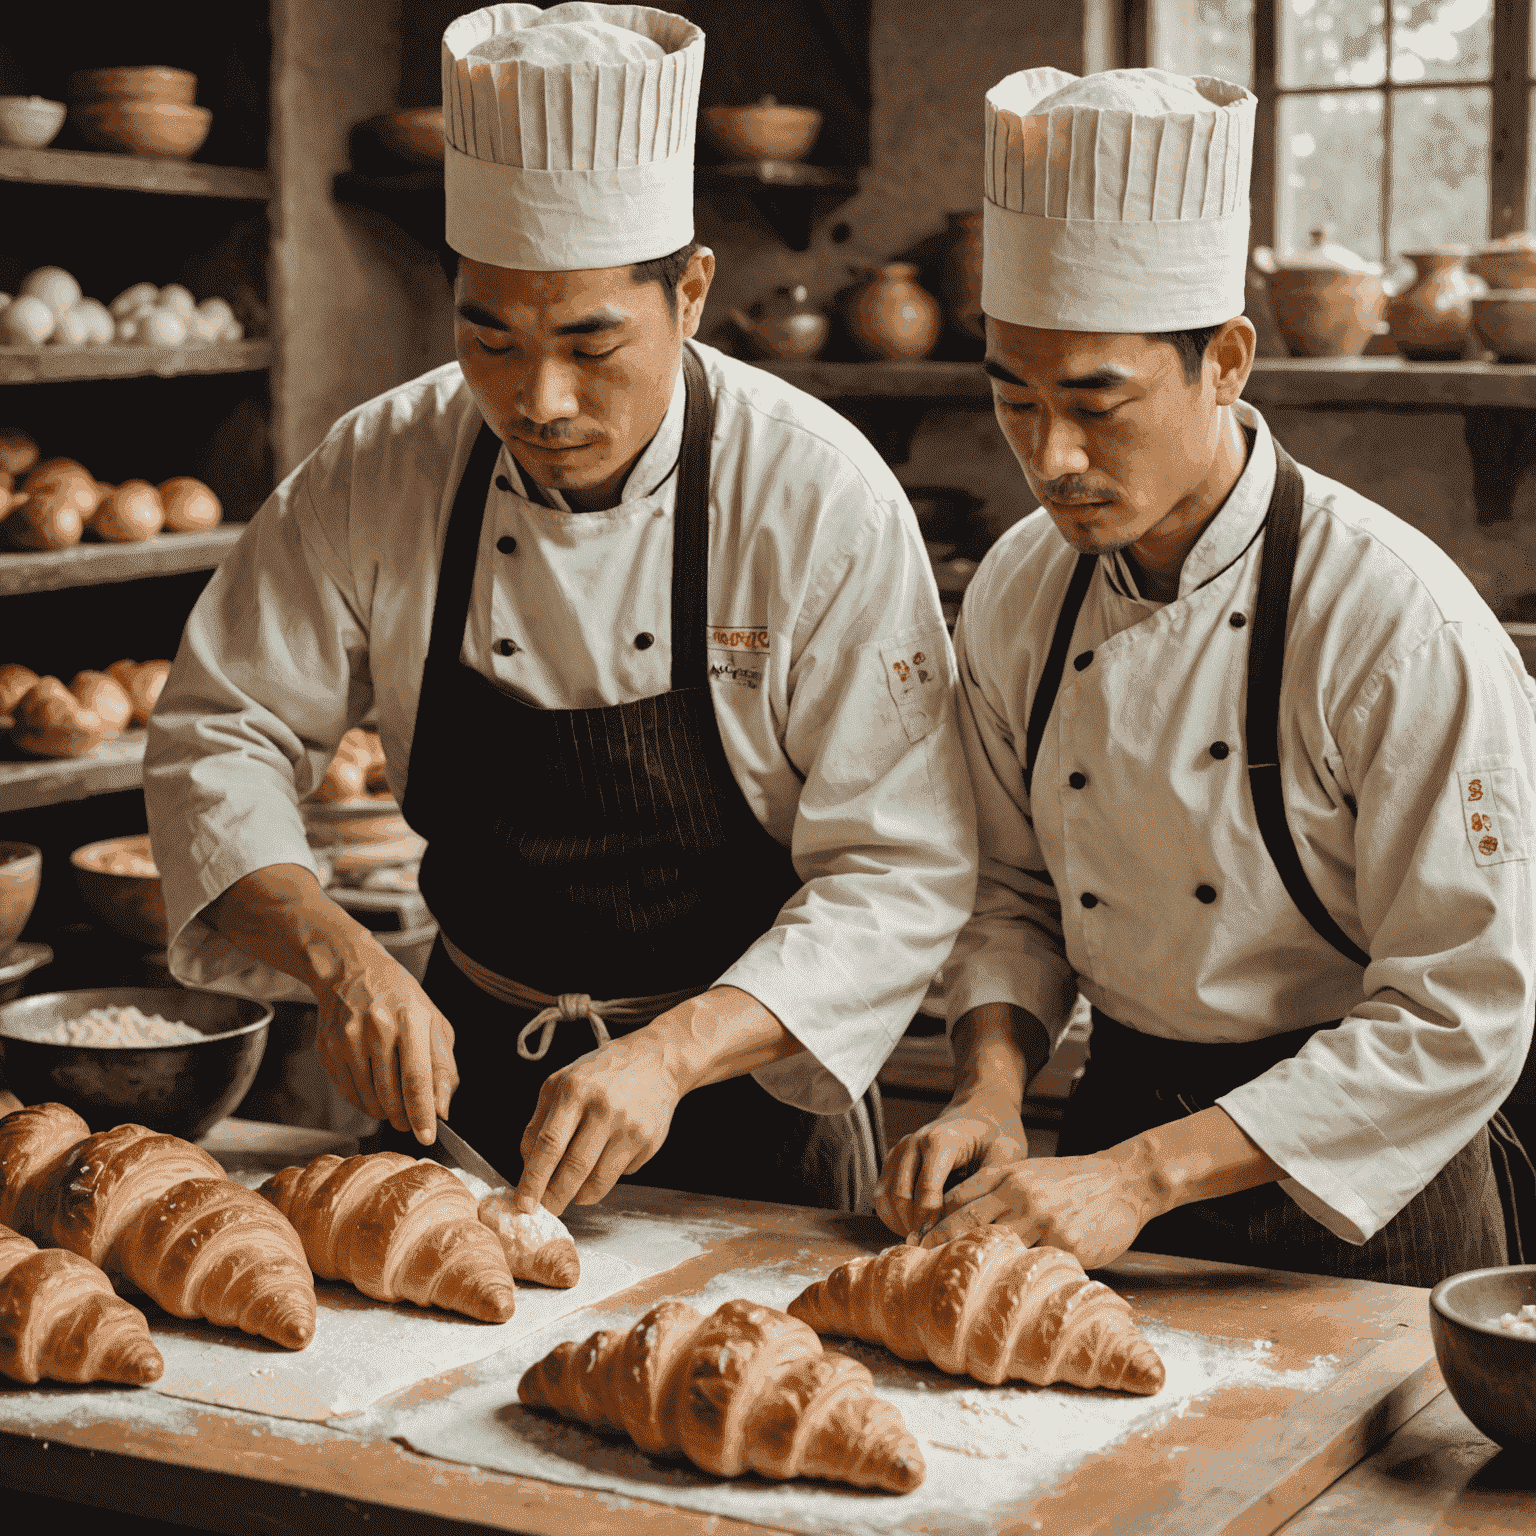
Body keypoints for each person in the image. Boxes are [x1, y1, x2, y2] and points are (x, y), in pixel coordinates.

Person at [144, 3, 975, 1219]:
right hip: (462, 1083)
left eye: (593, 345)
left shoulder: (814, 495)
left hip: (746, 1103)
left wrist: (670, 1055)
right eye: (491, 338)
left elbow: (899, 868)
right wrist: (345, 961)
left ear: (691, 292)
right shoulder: (385, 463)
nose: (538, 399)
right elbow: (221, 732)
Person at [874, 66, 1536, 1287]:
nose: (1050, 456)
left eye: (1097, 403)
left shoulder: (1397, 623)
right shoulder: (1024, 584)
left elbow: (1462, 1016)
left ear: (1226, 360)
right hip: (1106, 1131)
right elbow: (1011, 890)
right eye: (1014, 400)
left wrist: (1143, 1176)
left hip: (1359, 1183)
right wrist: (991, 1089)